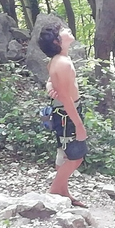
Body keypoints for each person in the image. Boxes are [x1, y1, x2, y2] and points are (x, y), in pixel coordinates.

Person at [38, 23, 88, 208]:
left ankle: (64, 192)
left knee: (65, 154)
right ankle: (54, 191)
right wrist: (80, 127)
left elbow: (51, 80)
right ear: (56, 41)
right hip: (67, 113)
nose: (68, 29)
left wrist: (49, 86)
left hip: (63, 112)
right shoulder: (63, 63)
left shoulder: (58, 59)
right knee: (76, 156)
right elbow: (66, 98)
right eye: (63, 30)